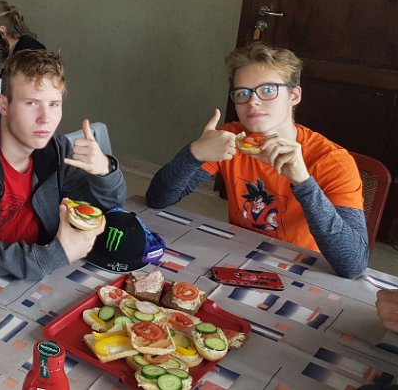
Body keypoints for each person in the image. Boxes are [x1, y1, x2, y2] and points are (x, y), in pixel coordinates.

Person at [146, 42, 368, 278]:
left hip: (303, 271)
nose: (252, 101)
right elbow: (157, 200)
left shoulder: (333, 162)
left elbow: (353, 265)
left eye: (268, 90)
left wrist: (303, 182)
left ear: (294, 95)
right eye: (242, 93)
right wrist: (193, 153)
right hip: (237, 259)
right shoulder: (230, 139)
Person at [0, 49, 126, 280]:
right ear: (3, 105)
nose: (45, 118)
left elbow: (106, 208)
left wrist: (104, 172)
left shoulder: (57, 149)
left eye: (53, 104)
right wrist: (56, 255)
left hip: (39, 273)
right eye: (31, 103)